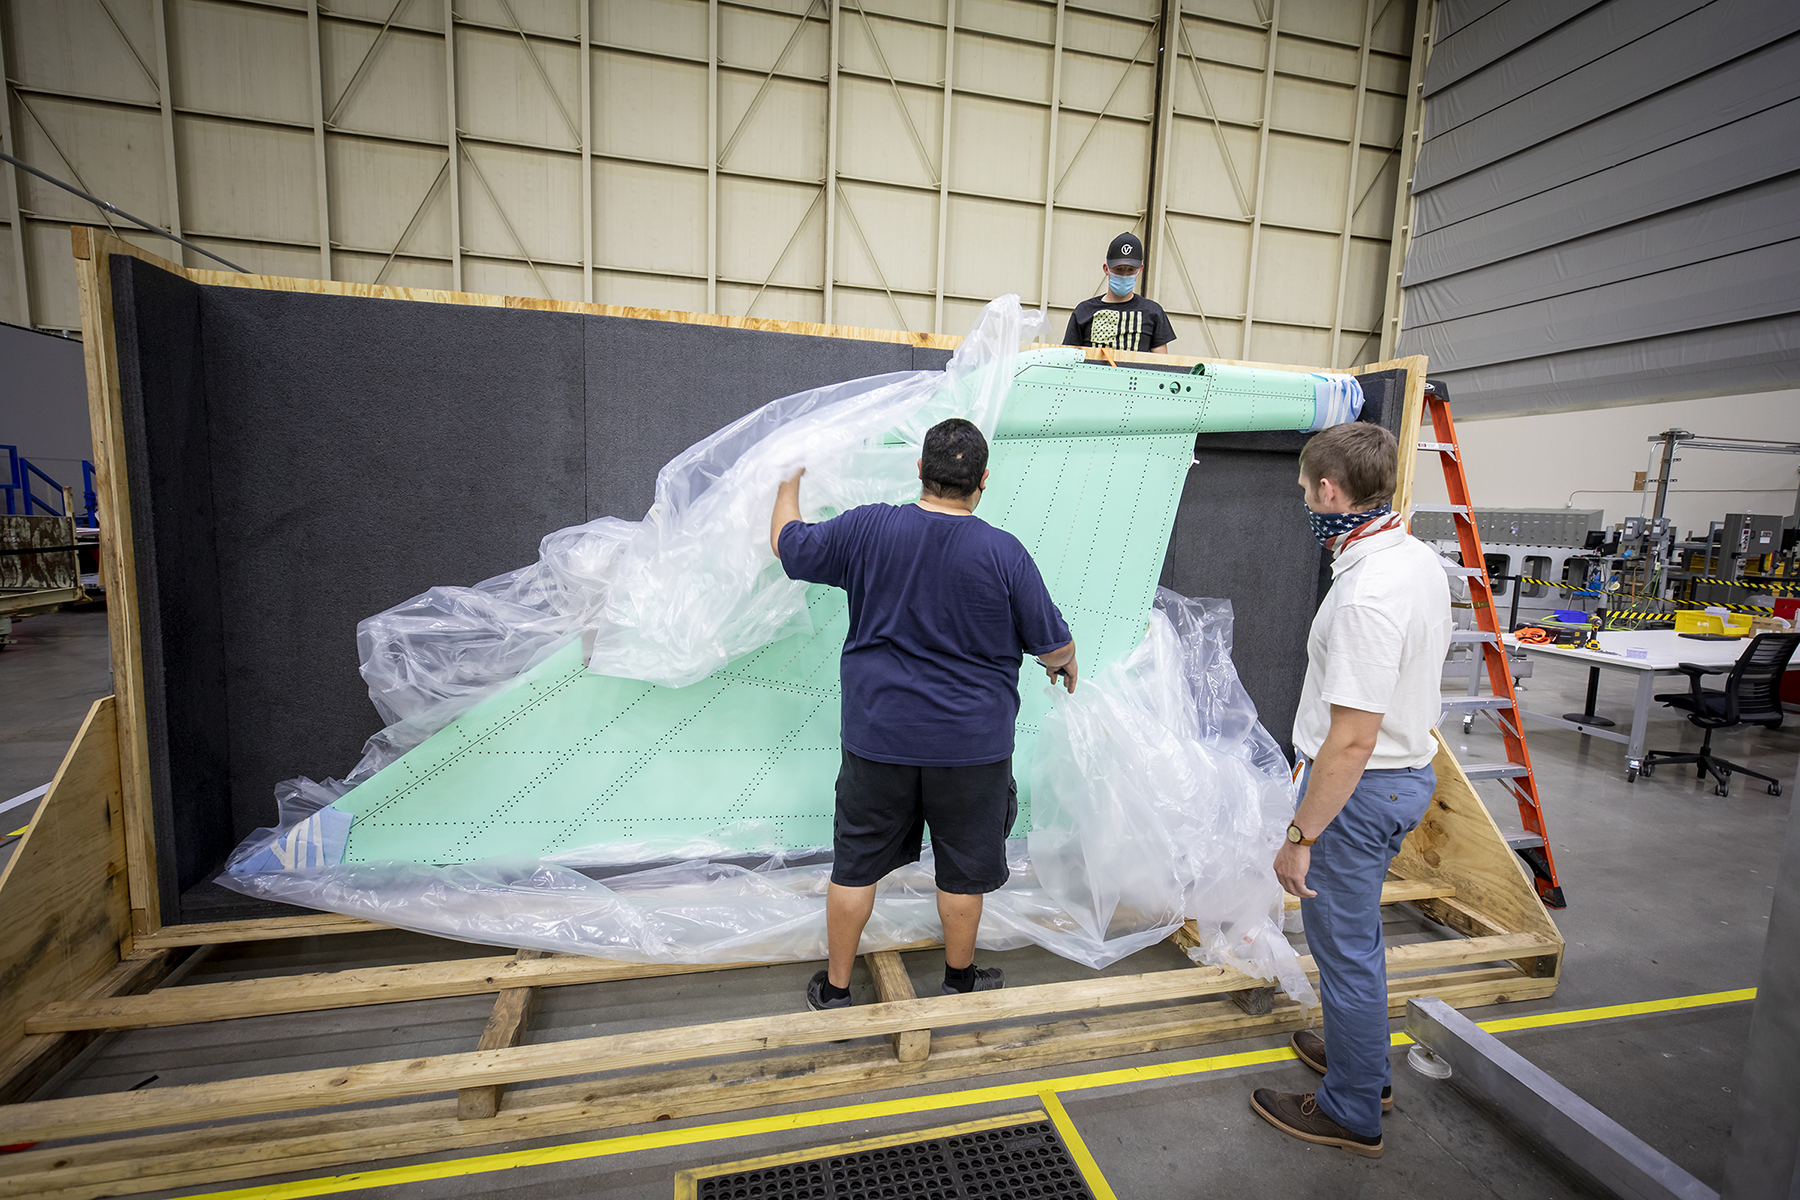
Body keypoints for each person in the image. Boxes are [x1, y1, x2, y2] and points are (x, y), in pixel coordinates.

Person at [769, 418, 1078, 1010]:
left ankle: (835, 989)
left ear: (920, 470)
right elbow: (1053, 647)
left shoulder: (868, 528)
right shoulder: (1004, 552)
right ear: (982, 480)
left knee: (855, 867)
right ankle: (958, 981)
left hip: (877, 738)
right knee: (962, 872)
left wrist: (786, 479)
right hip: (971, 748)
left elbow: (790, 545)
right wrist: (1063, 661)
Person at [1250, 421, 1452, 1159]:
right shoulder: (1415, 559)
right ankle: (1361, 1067)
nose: (1304, 497)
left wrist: (1300, 837)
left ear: (1329, 490)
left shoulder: (1368, 594)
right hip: (1399, 781)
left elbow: (1353, 740)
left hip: (1361, 793)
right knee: (1354, 942)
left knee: (1345, 952)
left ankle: (1351, 1109)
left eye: (1306, 487)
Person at [1061, 232, 1174, 355]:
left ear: (1140, 269)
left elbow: (1161, 363)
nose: (1124, 275)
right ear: (1106, 269)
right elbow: (1068, 358)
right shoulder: (1084, 311)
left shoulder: (1153, 312)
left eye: (1130, 270)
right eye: (1118, 269)